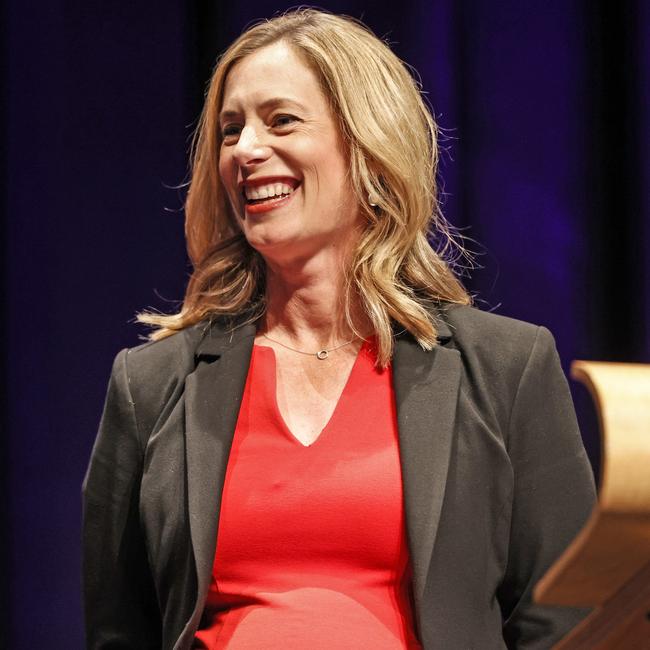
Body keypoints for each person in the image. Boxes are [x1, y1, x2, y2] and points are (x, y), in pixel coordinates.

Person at [82, 8, 596, 649]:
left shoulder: (506, 368)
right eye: (230, 130)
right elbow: (118, 631)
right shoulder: (152, 384)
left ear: (368, 147)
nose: (245, 150)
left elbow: (569, 623)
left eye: (282, 121)